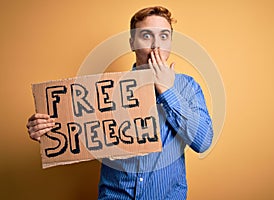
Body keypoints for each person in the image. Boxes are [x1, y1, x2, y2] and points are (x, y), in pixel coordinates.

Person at [26, 6, 213, 199]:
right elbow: (77, 132)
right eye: (146, 36)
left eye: (164, 36)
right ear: (132, 43)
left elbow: (203, 142)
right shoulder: (105, 90)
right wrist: (49, 131)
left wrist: (166, 90)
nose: (156, 45)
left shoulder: (188, 87)